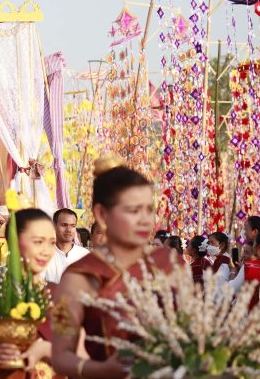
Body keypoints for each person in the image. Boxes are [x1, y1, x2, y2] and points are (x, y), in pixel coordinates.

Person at [51, 156, 176, 379]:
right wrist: (102, 370)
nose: (145, 220)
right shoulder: (80, 275)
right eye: (133, 210)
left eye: (149, 210)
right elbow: (61, 357)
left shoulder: (169, 262)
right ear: (102, 214)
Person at [0, 208, 61, 379]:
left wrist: (48, 350)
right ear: (14, 241)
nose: (46, 251)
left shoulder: (61, 295)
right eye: (38, 242)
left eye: (52, 243)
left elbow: (84, 356)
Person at [43, 209, 89, 284]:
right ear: (54, 226)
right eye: (64, 225)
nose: (68, 230)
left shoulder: (85, 255)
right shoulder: (44, 254)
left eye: (73, 226)